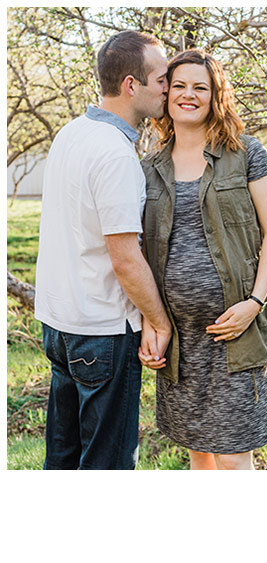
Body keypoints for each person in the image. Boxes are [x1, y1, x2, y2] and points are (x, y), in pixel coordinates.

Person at [140, 49, 267, 470]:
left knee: (232, 457)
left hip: (236, 333)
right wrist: (151, 323)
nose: (189, 95)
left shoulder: (246, 153)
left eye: (200, 87)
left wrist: (253, 303)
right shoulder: (149, 168)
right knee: (199, 452)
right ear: (167, 95)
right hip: (178, 338)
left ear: (215, 96)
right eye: (180, 86)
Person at [34, 31, 170, 470]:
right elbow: (125, 258)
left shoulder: (71, 133)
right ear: (132, 85)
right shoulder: (114, 153)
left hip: (59, 326)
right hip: (101, 333)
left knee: (64, 459)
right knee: (106, 467)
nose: (168, 89)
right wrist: (158, 320)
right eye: (163, 79)